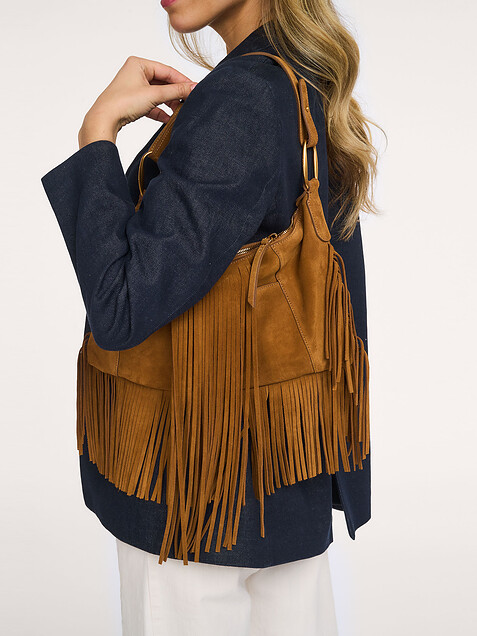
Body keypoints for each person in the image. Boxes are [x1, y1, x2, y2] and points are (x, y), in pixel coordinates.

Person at [41, 1, 380, 634]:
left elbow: (122, 304)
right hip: (287, 473)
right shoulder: (299, 79)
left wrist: (97, 134)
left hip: (194, 494)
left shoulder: (243, 94)